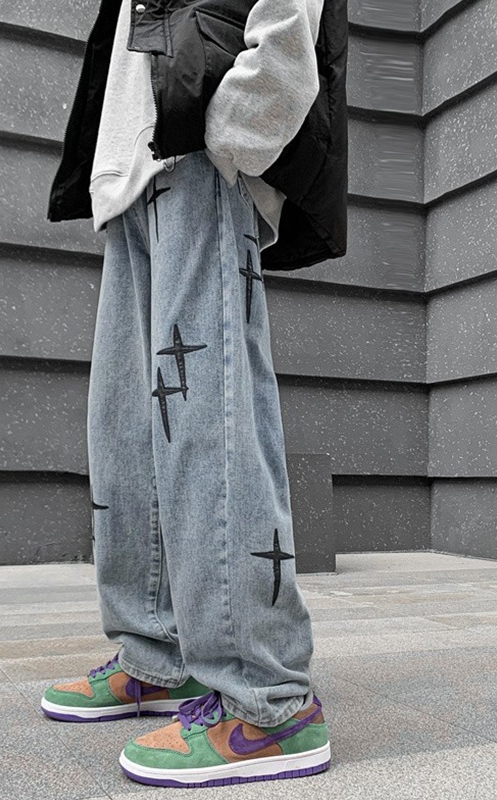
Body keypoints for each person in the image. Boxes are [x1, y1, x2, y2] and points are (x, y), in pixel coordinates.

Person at [41, 0, 348, 788]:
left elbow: (290, 23)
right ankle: (158, 654)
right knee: (128, 429)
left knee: (209, 419)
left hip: (199, 155)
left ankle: (267, 700)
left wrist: (231, 131)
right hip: (134, 171)